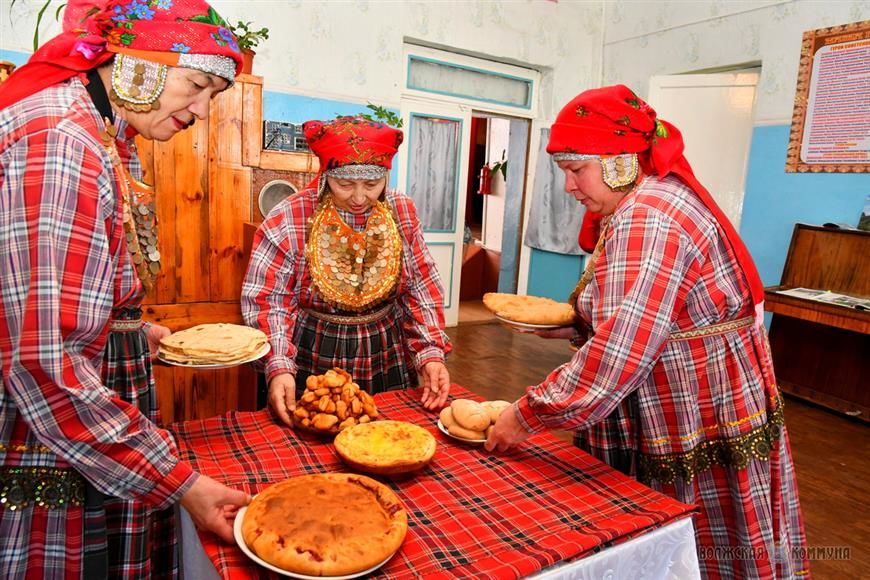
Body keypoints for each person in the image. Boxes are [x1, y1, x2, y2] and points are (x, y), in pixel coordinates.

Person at [485, 85, 809, 579]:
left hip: (690, 401)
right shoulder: (657, 196)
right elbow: (653, 312)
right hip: (712, 390)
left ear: (620, 161)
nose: (570, 187)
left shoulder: (647, 217)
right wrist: (579, 322)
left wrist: (526, 414)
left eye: (577, 170)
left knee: (683, 532)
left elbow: (619, 355)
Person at [0, 1, 251, 577]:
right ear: (137, 62)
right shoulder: (64, 144)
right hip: (51, 429)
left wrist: (132, 331)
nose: (201, 110)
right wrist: (178, 481)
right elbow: (44, 362)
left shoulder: (100, 132)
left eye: (214, 95)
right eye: (196, 84)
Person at [242, 116, 452, 426]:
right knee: (316, 435)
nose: (358, 197)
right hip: (313, 349)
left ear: (386, 177)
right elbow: (268, 299)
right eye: (344, 184)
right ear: (326, 175)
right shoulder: (290, 215)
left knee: (384, 435)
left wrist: (429, 351)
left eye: (371, 184)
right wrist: (279, 365)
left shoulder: (401, 210)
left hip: (385, 348)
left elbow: (420, 285)